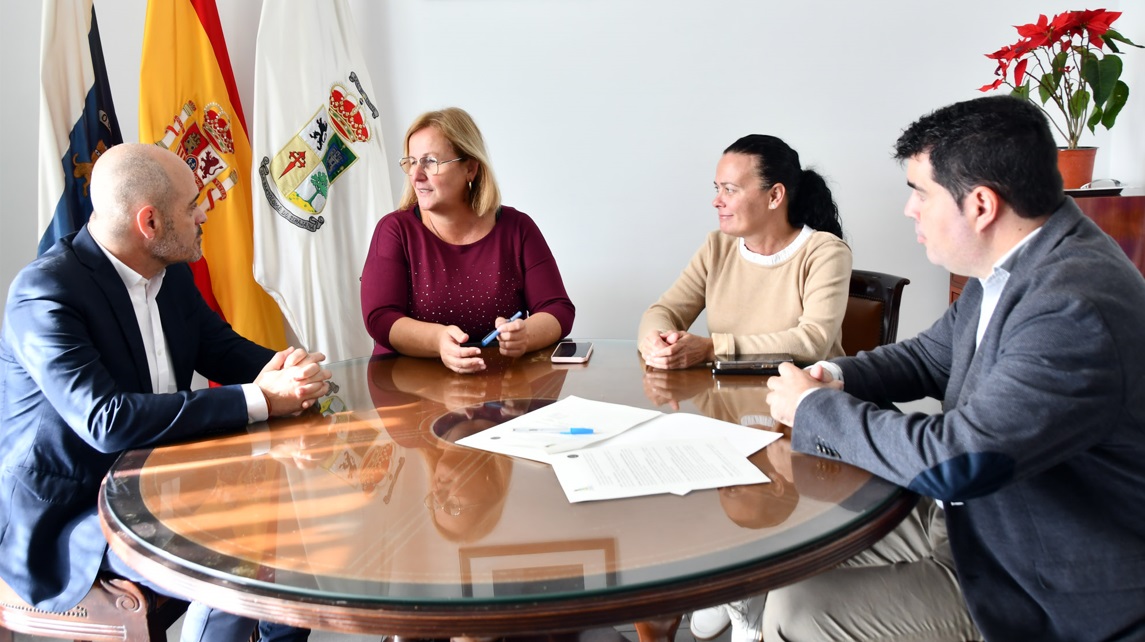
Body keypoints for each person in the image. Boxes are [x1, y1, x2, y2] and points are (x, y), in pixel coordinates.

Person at [767, 95, 1145, 641]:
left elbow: (958, 460)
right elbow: (929, 357)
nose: (909, 209)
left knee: (800, 610)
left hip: (1038, 576)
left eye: (920, 192)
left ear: (982, 206)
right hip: (982, 521)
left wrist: (813, 407)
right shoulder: (1016, 263)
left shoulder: (1073, 306)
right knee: (787, 550)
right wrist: (837, 375)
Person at [0, 143, 332, 642]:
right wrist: (263, 398)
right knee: (234, 550)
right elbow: (105, 421)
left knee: (294, 514)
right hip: (71, 515)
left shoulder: (170, 273)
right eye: (192, 204)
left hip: (164, 484)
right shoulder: (45, 292)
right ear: (149, 223)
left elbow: (223, 349)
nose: (204, 214)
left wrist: (290, 369)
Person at [361, 107, 575, 374]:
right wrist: (437, 340)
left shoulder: (518, 228)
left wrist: (526, 334)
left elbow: (558, 309)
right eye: (411, 162)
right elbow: (381, 318)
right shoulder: (394, 230)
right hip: (411, 388)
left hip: (504, 390)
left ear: (470, 168)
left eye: (430, 162)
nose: (416, 175)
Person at [638, 134, 851, 370]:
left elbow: (812, 342)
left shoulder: (825, 252)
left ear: (774, 196)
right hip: (727, 399)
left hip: (804, 398)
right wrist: (656, 342)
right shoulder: (717, 247)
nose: (717, 201)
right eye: (717, 189)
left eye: (729, 190)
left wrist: (712, 349)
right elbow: (665, 311)